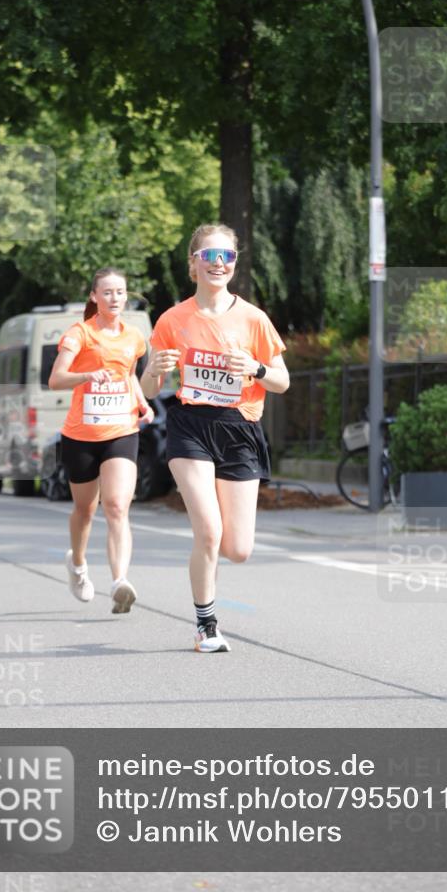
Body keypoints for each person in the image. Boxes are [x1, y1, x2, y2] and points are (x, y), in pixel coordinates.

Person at [141, 224, 289, 653]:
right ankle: (206, 624)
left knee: (238, 549)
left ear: (235, 264)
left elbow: (282, 381)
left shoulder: (254, 319)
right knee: (208, 530)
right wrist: (155, 369)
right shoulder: (173, 320)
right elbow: (150, 389)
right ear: (194, 264)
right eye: (209, 256)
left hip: (240, 428)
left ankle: (208, 602)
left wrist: (254, 368)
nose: (218, 263)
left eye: (226, 256)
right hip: (191, 426)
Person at [48, 267, 154, 615]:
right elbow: (56, 379)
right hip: (81, 435)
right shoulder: (80, 334)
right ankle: (77, 566)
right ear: (94, 296)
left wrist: (142, 402)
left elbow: (128, 377)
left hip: (121, 430)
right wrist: (86, 375)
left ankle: (119, 581)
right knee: (85, 509)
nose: (114, 298)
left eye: (120, 292)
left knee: (117, 505)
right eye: (107, 292)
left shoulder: (134, 337)